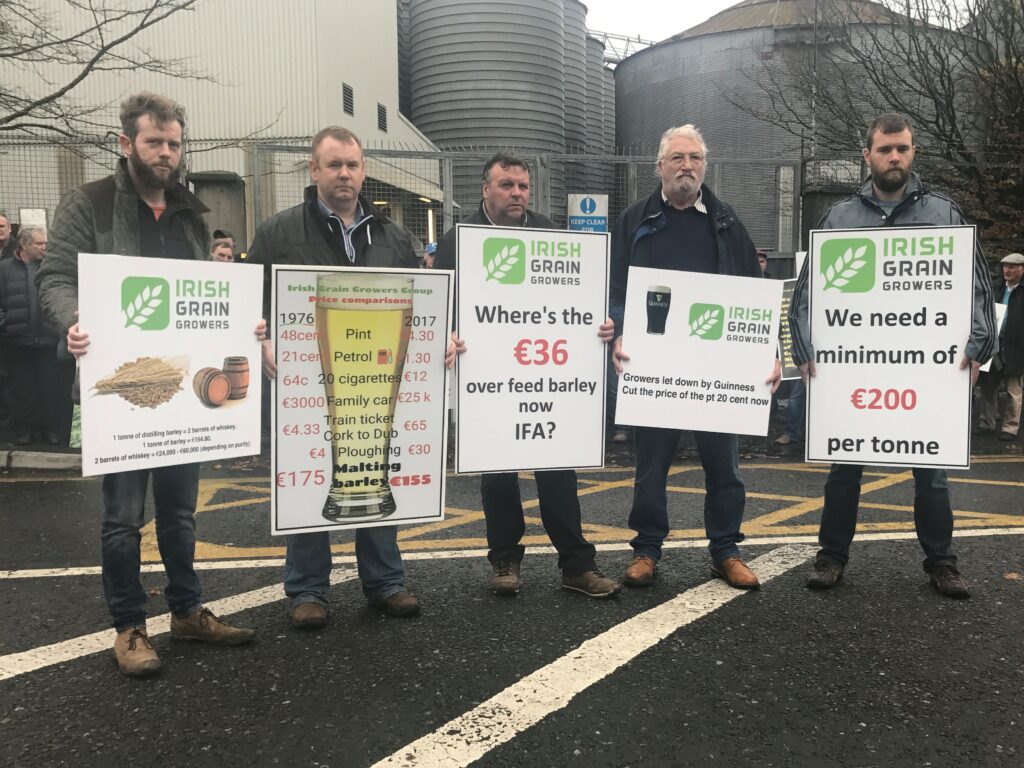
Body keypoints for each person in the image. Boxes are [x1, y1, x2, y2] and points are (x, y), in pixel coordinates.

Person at [37, 92, 259, 676]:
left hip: (181, 391)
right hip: (126, 390)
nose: (166, 153)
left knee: (181, 514)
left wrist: (242, 322)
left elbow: (201, 293)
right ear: (126, 143)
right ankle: (130, 628)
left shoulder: (189, 210)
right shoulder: (89, 203)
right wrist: (74, 320)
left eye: (174, 143)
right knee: (122, 517)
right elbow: (56, 277)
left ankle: (186, 612)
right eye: (154, 142)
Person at [789, 113, 996, 598]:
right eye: (885, 150)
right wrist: (803, 347)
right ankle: (831, 556)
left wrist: (977, 346)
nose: (894, 157)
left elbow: (977, 288)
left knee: (933, 475)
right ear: (868, 156)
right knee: (845, 469)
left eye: (902, 148)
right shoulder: (839, 218)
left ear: (913, 152)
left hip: (927, 377)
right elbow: (807, 295)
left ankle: (942, 563)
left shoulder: (945, 213)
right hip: (853, 373)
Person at [248, 126, 431, 628]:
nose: (345, 173)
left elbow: (421, 306)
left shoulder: (392, 236)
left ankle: (386, 583)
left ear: (363, 169)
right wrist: (258, 337)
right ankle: (307, 590)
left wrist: (440, 344)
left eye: (352, 164)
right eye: (334, 165)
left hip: (373, 378)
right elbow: (252, 302)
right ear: (314, 170)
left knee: (374, 468)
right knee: (308, 474)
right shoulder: (278, 232)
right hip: (306, 382)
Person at [435, 153, 621, 598]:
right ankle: (504, 558)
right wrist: (448, 332)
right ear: (485, 189)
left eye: (522, 186)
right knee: (496, 471)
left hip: (547, 375)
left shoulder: (552, 234)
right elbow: (438, 302)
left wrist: (602, 324)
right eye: (506, 185)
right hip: (487, 376)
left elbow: (581, 300)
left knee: (558, 468)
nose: (516, 193)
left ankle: (577, 564)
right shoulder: (457, 240)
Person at [609, 124, 779, 591]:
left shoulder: (726, 221)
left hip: (716, 372)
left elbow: (755, 295)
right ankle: (646, 550)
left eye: (695, 159)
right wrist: (619, 329)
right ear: (659, 166)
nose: (687, 166)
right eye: (678, 158)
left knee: (725, 468)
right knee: (650, 469)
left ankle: (725, 550)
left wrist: (772, 351)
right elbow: (614, 287)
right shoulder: (633, 221)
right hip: (654, 370)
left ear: (704, 166)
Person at [0, 226, 73, 445]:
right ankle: (24, 431)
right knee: (22, 390)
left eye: (45, 243)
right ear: (23, 245)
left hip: (48, 341)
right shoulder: (3, 270)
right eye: (39, 244)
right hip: (16, 342)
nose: (44, 248)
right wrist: (5, 325)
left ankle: (50, 430)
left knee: (50, 389)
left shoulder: (51, 270)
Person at [976, 252, 1024, 442]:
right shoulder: (995, 289)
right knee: (989, 387)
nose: (1007, 270)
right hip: (994, 345)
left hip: (1016, 348)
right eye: (1005, 266)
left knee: (1014, 391)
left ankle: (1010, 428)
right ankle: (986, 423)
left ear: (1022, 269)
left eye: (1012, 267)